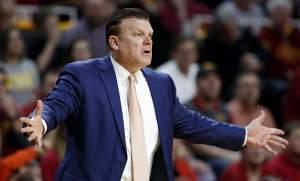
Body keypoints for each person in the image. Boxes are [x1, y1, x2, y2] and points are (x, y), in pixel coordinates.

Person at [20, 8, 288, 181]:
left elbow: (194, 124)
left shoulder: (162, 83)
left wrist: (243, 134)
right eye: (138, 35)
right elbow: (57, 104)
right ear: (114, 42)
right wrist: (40, 122)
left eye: (150, 34)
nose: (148, 41)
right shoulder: (82, 75)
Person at [156, 36, 199, 103]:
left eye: (190, 52)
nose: (187, 57)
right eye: (183, 53)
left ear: (196, 54)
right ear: (174, 54)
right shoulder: (161, 74)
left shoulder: (198, 70)